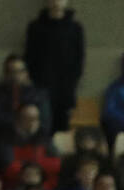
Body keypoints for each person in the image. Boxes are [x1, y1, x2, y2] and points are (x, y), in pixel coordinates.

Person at [23, 0, 84, 133]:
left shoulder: (75, 28)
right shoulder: (36, 27)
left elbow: (79, 59)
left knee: (62, 128)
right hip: (41, 87)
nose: (56, 2)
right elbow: (29, 57)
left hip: (65, 89)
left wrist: (71, 82)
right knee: (42, 128)